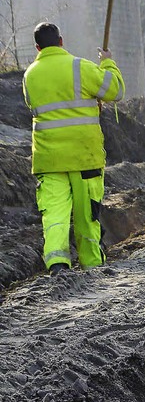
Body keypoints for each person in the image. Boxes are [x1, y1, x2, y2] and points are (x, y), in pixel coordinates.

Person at [22, 23, 125, 275]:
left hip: (49, 160)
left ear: (37, 47)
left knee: (54, 215)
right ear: (61, 41)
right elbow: (116, 90)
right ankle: (91, 265)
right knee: (87, 215)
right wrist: (107, 63)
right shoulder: (80, 67)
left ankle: (57, 264)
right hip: (84, 158)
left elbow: (35, 105)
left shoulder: (30, 76)